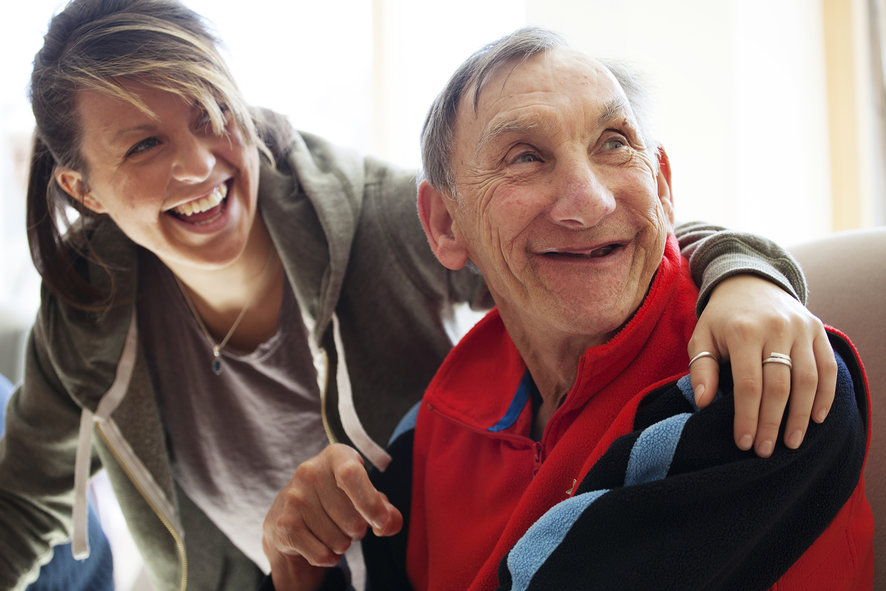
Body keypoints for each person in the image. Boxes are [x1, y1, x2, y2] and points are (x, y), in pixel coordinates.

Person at [0, 0, 836, 588]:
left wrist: (744, 272)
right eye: (144, 144)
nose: (198, 163)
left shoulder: (375, 219)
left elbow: (602, 239)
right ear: (85, 188)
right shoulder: (86, 312)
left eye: (212, 112)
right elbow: (22, 506)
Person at [262, 28, 872, 591]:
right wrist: (301, 567)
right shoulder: (443, 412)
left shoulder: (764, 377)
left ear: (661, 186)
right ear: (446, 225)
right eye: (525, 156)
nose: (590, 199)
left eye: (614, 144)